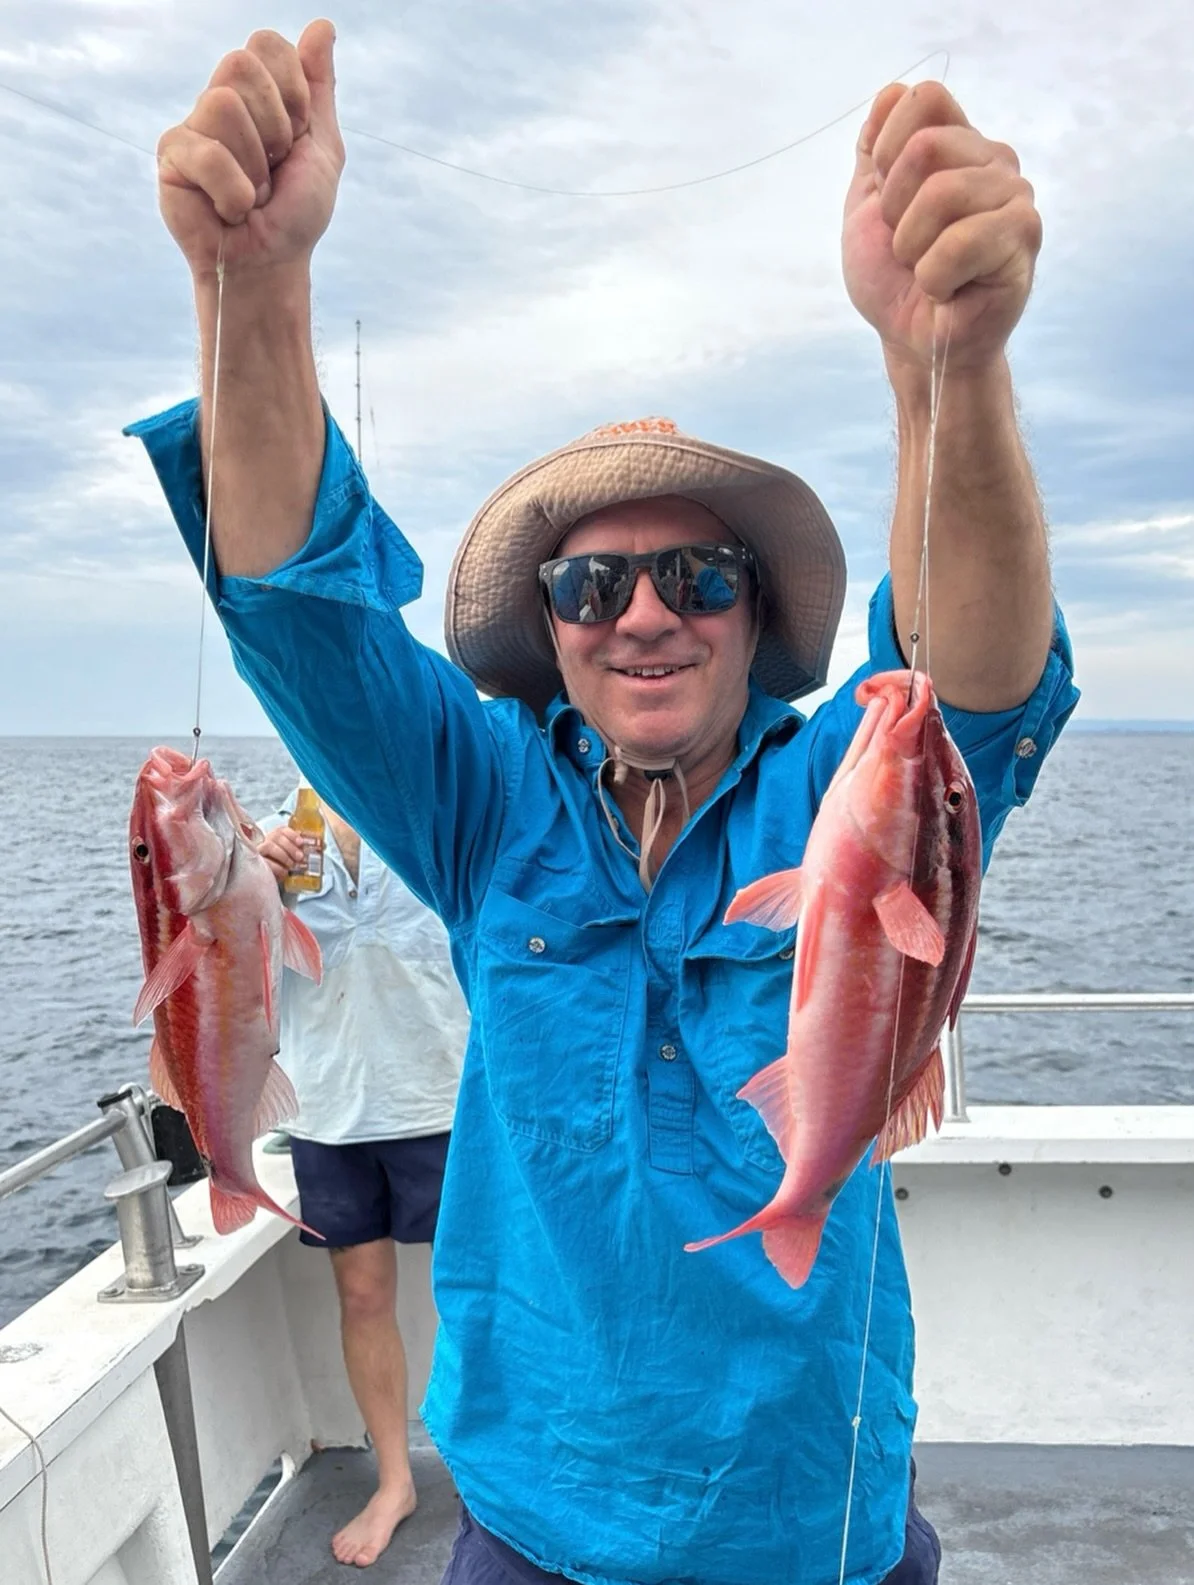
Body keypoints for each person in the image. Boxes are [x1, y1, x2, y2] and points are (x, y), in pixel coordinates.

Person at [130, 21, 1080, 1585]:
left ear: (754, 610)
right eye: (592, 581)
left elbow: (969, 684)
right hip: (530, 1518)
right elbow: (302, 617)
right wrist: (255, 288)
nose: (645, 614)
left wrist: (951, 369)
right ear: (550, 628)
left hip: (808, 1521)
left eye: (698, 574)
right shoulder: (476, 801)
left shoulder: (849, 776)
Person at [256, 792, 467, 1569]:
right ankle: (394, 1479)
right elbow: (214, 947)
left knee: (476, 1290)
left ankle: (491, 1469)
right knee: (364, 1296)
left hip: (440, 1089)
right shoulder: (271, 832)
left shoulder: (427, 804)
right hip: (326, 1104)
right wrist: (255, 876)